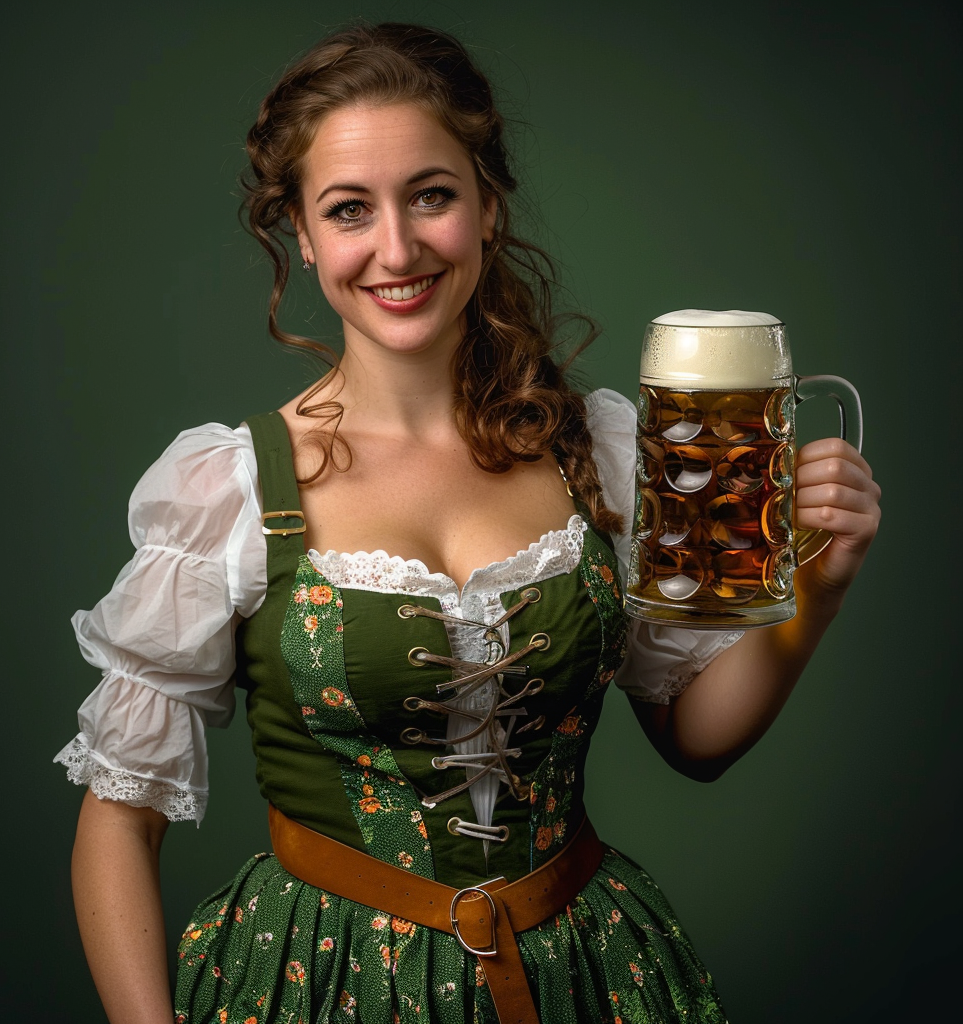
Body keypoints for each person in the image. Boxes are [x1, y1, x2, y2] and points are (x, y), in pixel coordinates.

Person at [56, 22, 881, 1024]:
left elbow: (696, 736)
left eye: (431, 195)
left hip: (582, 971)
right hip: (321, 984)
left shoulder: (604, 451)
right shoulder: (228, 488)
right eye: (349, 209)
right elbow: (119, 817)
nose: (396, 249)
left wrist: (816, 592)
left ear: (488, 207)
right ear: (303, 235)